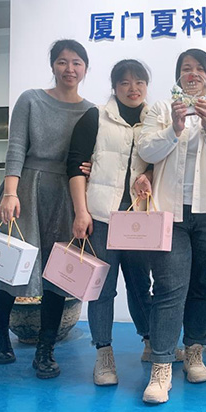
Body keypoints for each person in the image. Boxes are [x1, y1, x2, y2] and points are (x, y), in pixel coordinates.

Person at [0, 39, 94, 379]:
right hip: (26, 187)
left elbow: (91, 155)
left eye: (77, 62)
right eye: (62, 61)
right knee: (11, 266)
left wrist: (91, 167)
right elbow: (16, 146)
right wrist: (10, 192)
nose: (69, 68)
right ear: (53, 65)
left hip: (66, 193)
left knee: (58, 272)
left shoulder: (91, 111)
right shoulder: (31, 99)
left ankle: (46, 348)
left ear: (86, 68)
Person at [137, 49, 206, 404]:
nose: (193, 74)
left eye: (199, 69)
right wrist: (174, 128)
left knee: (202, 285)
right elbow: (147, 151)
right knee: (169, 288)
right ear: (178, 75)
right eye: (186, 68)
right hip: (169, 212)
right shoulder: (161, 109)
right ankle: (161, 367)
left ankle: (194, 351)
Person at [66, 59, 156, 386]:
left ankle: (150, 342)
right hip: (102, 216)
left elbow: (163, 161)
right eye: (125, 83)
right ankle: (103, 353)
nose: (133, 89)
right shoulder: (96, 117)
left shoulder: (154, 119)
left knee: (140, 285)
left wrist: (149, 174)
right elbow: (75, 166)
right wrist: (81, 212)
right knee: (102, 289)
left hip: (137, 218)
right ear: (115, 87)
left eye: (139, 82)